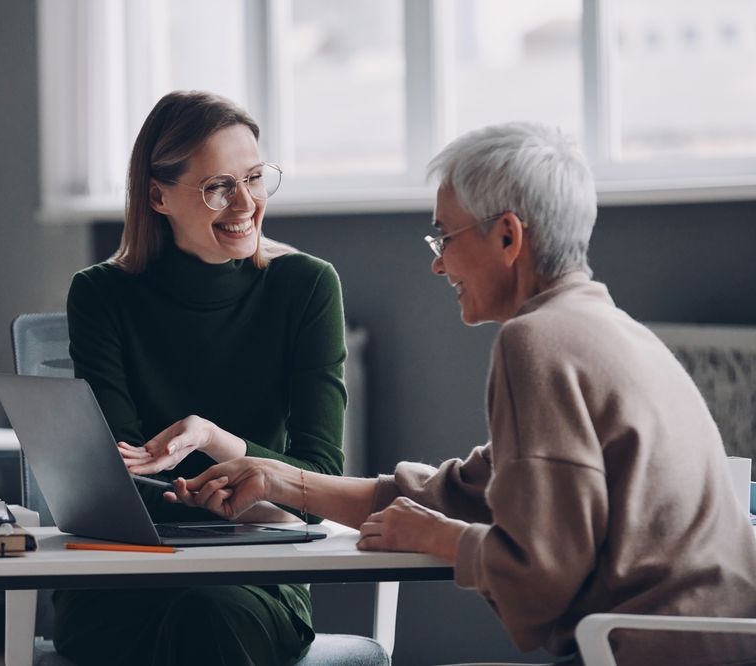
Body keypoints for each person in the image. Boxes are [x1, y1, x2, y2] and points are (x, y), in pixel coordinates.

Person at [171, 122, 756, 665]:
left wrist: (441, 538)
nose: (437, 264)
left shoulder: (537, 342)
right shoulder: (609, 330)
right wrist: (277, 478)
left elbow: (544, 579)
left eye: (444, 236)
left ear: (507, 236)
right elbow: (459, 491)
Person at [56, 90, 348, 666]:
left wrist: (213, 440)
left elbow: (320, 488)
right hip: (127, 574)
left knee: (209, 615)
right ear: (157, 195)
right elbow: (123, 478)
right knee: (177, 618)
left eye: (255, 178)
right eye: (218, 186)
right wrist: (252, 488)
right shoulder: (100, 295)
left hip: (254, 577)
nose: (246, 203)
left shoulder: (307, 287)